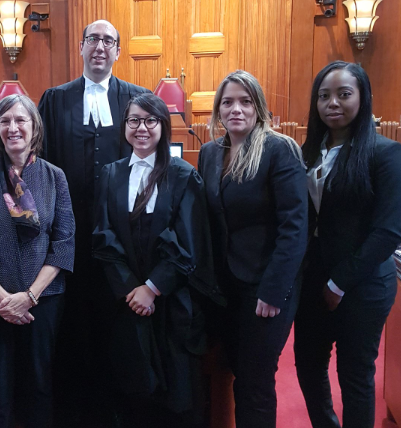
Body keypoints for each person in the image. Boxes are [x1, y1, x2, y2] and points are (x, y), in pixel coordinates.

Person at [38, 19, 150, 423]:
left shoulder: (138, 98)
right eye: (93, 40)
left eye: (108, 41)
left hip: (124, 233)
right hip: (69, 231)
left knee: (117, 317)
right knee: (73, 320)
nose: (100, 47)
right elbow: (41, 160)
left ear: (118, 51)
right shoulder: (54, 99)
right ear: (81, 47)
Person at [93, 93, 224, 428]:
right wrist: (131, 290)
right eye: (134, 120)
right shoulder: (110, 175)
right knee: (135, 396)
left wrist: (151, 289)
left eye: (150, 121)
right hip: (128, 304)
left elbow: (189, 244)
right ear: (124, 126)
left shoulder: (183, 176)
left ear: (164, 127)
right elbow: (104, 238)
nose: (142, 128)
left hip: (171, 303)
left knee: (177, 399)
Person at [0, 94, 75, 428]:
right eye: (5, 121)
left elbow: (63, 243)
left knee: (39, 386)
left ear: (34, 127)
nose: (13, 128)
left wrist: (30, 296)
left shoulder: (55, 178)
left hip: (43, 300)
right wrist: (3, 299)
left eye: (21, 120)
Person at [197, 70, 308, 428]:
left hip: (268, 285)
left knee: (255, 381)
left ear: (258, 107)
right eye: (227, 102)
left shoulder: (280, 150)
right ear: (217, 110)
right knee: (232, 369)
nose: (236, 109)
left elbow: (295, 227)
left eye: (245, 101)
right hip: (227, 286)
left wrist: (274, 290)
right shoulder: (211, 153)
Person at [294, 61, 401, 428]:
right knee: (308, 366)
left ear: (363, 97)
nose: (332, 103)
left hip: (363, 282)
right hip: (313, 278)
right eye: (324, 96)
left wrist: (340, 282)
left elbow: (388, 231)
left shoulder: (385, 153)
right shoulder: (307, 151)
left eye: (344, 94)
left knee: (354, 375)